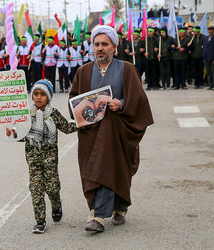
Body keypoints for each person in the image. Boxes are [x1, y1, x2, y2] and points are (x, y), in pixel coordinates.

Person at [69, 25, 153, 233]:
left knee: (109, 168)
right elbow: (73, 100)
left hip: (117, 129)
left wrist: (121, 104)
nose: (100, 48)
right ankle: (119, 206)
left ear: (114, 47)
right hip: (91, 133)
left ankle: (97, 215)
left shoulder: (127, 69)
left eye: (104, 44)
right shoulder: (83, 71)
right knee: (99, 169)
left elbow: (138, 99)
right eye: (96, 44)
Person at [6, 79, 77, 234]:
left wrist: (82, 122)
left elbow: (66, 127)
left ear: (49, 97)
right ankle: (40, 221)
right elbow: (23, 136)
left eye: (42, 94)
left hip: (50, 159)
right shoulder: (27, 116)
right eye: (36, 94)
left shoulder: (54, 114)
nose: (38, 98)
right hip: (33, 160)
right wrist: (13, 134)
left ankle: (56, 206)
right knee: (36, 190)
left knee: (52, 188)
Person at [203, 26, 214, 91]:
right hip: (206, 58)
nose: (209, 31)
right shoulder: (205, 38)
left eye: (211, 30)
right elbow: (204, 48)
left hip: (213, 59)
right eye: (209, 30)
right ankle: (210, 85)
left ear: (213, 31)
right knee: (208, 72)